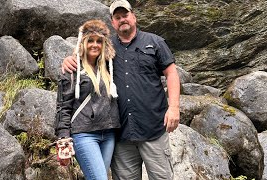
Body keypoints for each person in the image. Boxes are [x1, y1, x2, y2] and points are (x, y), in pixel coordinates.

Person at [62, 0, 180, 179]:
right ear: (112, 22)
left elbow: (171, 74)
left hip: (153, 129)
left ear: (134, 16)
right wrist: (70, 60)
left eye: (125, 15)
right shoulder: (106, 47)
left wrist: (174, 108)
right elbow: (87, 56)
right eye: (117, 17)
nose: (122, 19)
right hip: (121, 134)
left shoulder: (154, 42)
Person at [55, 19, 120, 180]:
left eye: (99, 41)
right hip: (84, 134)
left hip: (109, 133)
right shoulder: (72, 69)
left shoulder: (109, 66)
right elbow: (63, 107)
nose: (95, 45)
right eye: (90, 40)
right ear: (82, 42)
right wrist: (63, 137)